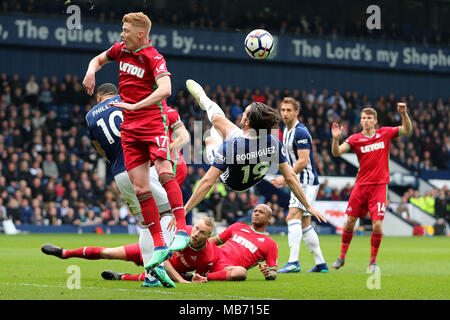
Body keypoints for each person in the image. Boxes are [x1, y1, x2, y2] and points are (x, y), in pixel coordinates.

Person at [82, 12, 189, 272]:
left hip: (152, 122)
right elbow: (98, 58)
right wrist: (90, 71)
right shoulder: (120, 50)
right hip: (129, 129)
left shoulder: (154, 57)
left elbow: (165, 90)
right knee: (141, 189)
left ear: (140, 34)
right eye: (122, 29)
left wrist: (134, 105)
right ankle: (160, 245)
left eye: (126, 30)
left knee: (164, 173)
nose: (122, 34)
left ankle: (183, 230)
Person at [83, 83, 190, 287]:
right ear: (115, 94)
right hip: (140, 165)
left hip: (118, 172)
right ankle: (157, 264)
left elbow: (99, 149)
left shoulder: (90, 117)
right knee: (167, 212)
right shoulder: (127, 101)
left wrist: (116, 157)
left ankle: (150, 277)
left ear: (98, 97)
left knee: (145, 223)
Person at [182, 79, 326, 225]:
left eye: (244, 113)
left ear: (247, 122)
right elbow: (291, 177)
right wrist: (308, 205)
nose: (242, 115)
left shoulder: (231, 145)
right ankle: (205, 102)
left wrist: (186, 209)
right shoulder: (273, 141)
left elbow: (207, 181)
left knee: (211, 140)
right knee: (220, 121)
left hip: (232, 181)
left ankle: (204, 100)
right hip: (251, 172)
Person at [101, 204, 279, 282]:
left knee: (240, 273)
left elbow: (273, 273)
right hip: (212, 256)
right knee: (112, 253)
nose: (256, 213)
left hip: (225, 268)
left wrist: (267, 273)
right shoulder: (238, 226)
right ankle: (179, 271)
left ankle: (124, 277)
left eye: (261, 212)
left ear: (269, 219)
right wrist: (192, 246)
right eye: (255, 210)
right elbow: (212, 240)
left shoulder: (270, 243)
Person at [330, 103, 412, 272]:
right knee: (350, 223)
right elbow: (337, 152)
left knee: (377, 226)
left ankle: (372, 262)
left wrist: (404, 114)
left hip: (380, 187)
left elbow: (406, 129)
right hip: (361, 186)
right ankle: (342, 256)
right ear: (360, 121)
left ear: (375, 121)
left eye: (369, 118)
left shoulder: (385, 133)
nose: (366, 121)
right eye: (363, 118)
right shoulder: (354, 139)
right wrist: (336, 138)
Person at [41, 217, 215, 286]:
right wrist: (180, 280)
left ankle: (121, 277)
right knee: (108, 253)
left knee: (155, 276)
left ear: (208, 236)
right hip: (149, 251)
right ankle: (65, 253)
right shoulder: (183, 233)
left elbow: (200, 278)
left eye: (202, 233)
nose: (195, 233)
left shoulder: (207, 257)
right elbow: (163, 256)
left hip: (162, 269)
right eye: (196, 228)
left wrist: (194, 279)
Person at [271, 97, 328, 273]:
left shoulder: (301, 132)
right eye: (283, 110)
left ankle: (293, 262)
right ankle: (321, 264)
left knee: (291, 216)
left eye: (289, 110)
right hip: (298, 180)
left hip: (305, 180)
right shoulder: (286, 131)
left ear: (297, 112)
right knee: (304, 224)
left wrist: (284, 178)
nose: (285, 113)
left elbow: (303, 161)